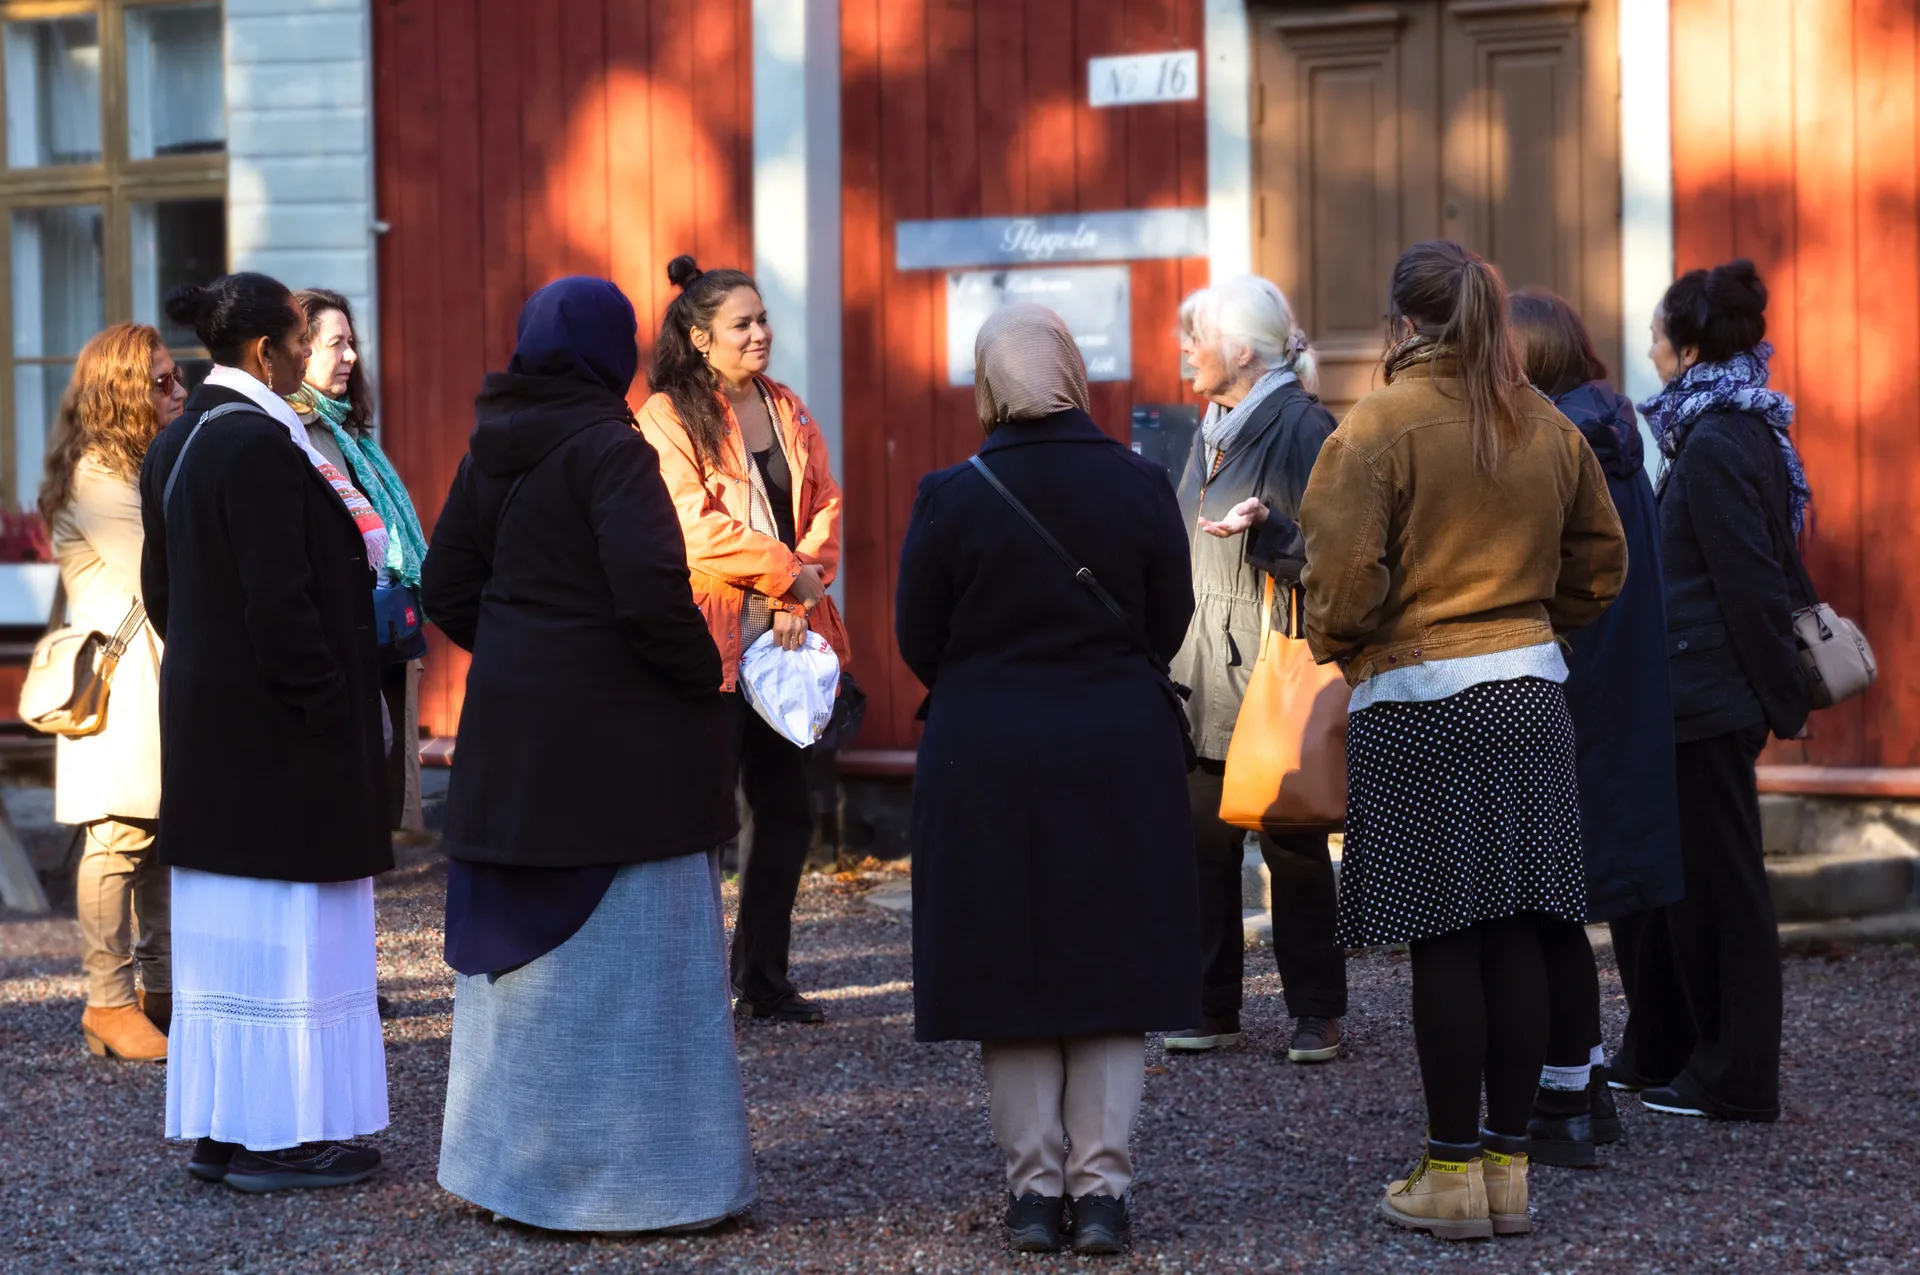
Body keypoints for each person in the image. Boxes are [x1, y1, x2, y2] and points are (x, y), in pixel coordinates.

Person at [1298, 241, 1626, 1240]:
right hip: (1530, 699)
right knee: (1520, 926)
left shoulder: (1375, 427)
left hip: (1419, 699)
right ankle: (1507, 1173)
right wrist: (1532, 629)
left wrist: (1349, 646)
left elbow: (1340, 587)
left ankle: (1450, 1176)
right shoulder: (1546, 423)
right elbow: (1600, 564)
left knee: (1446, 933)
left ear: (1402, 324)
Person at [423, 276, 753, 1232]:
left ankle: (509, 1177)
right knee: (629, 971)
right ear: (613, 351)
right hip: (620, 761)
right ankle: (645, 1187)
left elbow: (447, 586)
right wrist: (699, 672)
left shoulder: (493, 444)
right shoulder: (614, 447)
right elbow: (652, 596)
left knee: (526, 988)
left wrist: (525, 648)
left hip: (512, 744)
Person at [896, 303, 1201, 1257]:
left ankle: (1034, 1193)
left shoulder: (951, 495)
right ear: (1070, 370)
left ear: (990, 380)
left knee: (1008, 965)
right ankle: (1101, 1191)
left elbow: (918, 638)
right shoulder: (1140, 482)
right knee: (1113, 966)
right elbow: (1169, 620)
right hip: (1117, 749)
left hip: (986, 754)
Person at [140, 272, 390, 1192]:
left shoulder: (179, 440)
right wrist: (327, 706)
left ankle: (227, 1127)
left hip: (215, 735)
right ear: (264, 351)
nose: (305, 352)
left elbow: (162, 593)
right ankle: (281, 1137)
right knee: (292, 945)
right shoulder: (257, 444)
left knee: (227, 948)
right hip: (281, 744)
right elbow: (283, 605)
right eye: (297, 338)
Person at [1617, 260, 1808, 1123]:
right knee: (1692, 888)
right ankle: (1683, 1051)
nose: (1651, 349)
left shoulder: (1720, 438)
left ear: (1688, 349)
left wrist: (1779, 700)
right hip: (1698, 695)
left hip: (1713, 698)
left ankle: (1735, 1076)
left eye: (1658, 336)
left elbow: (1753, 582)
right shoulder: (1721, 425)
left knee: (1727, 893)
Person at [635, 255, 849, 1025]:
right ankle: (686, 984)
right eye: (742, 324)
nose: (760, 333)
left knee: (785, 810)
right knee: (701, 815)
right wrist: (787, 577)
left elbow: (824, 507)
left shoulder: (786, 406)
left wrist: (797, 590)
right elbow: (693, 528)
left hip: (788, 639)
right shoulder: (667, 416)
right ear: (700, 337)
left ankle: (762, 977)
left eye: (763, 319)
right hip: (712, 642)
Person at [1508, 289, 1685, 1165]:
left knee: (1545, 902)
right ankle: (1594, 1083)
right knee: (1583, 895)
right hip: (1621, 683)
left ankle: (1565, 1091)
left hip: (1569, 682)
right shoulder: (1615, 429)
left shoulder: (1559, 443)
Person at [1162, 275, 1347, 1064]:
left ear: (1240, 350)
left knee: (1292, 845)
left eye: (1197, 337)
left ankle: (1316, 1010)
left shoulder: (1302, 426)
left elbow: (1342, 554)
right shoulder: (1212, 428)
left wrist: (1272, 530)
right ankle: (1211, 1006)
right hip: (1201, 665)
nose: (1185, 350)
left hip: (1271, 666)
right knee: (1201, 844)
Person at [41, 323, 184, 1063]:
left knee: (156, 836)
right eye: (162, 382)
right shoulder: (100, 475)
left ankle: (160, 991)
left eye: (177, 376)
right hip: (121, 680)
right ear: (124, 392)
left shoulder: (136, 464)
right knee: (118, 837)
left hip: (150, 674)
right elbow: (165, 568)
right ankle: (109, 1001)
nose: (179, 390)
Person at [289, 289, 429, 832]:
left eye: (352, 343)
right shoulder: (294, 431)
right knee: (356, 798)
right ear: (300, 349)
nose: (351, 355)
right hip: (347, 635)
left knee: (382, 794)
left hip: (387, 629)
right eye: (336, 343)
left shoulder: (346, 431)